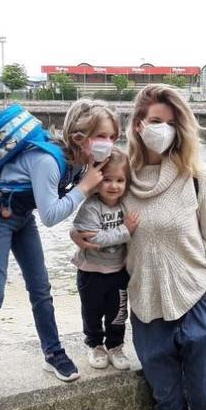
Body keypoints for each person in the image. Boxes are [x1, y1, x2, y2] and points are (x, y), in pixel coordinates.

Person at [73, 84, 206, 410]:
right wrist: (78, 235)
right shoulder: (121, 179)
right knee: (167, 405)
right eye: (156, 120)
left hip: (198, 304)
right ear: (138, 124)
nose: (164, 129)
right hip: (147, 312)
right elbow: (88, 212)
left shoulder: (196, 177)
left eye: (172, 123)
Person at [0, 99, 120, 401]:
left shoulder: (82, 162)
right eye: (102, 136)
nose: (107, 144)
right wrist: (84, 188)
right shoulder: (49, 160)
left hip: (21, 216)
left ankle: (52, 353)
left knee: (41, 288)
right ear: (80, 138)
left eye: (112, 137)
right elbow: (51, 216)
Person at [71, 149, 138, 370]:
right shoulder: (90, 207)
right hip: (91, 271)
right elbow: (95, 239)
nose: (113, 186)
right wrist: (124, 231)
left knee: (118, 312)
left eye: (120, 180)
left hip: (118, 271)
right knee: (91, 311)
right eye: (107, 180)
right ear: (96, 181)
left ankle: (116, 345)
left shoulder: (126, 205)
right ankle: (95, 344)